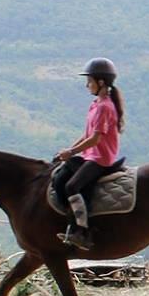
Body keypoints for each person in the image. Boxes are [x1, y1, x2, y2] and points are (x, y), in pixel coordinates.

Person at [53, 57, 125, 248]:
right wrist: (68, 152)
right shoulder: (95, 104)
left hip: (100, 159)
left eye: (89, 81)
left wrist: (72, 151)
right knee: (60, 177)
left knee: (72, 186)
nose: (87, 85)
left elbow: (95, 139)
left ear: (101, 82)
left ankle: (82, 231)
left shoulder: (104, 107)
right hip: (89, 155)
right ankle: (70, 220)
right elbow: (86, 135)